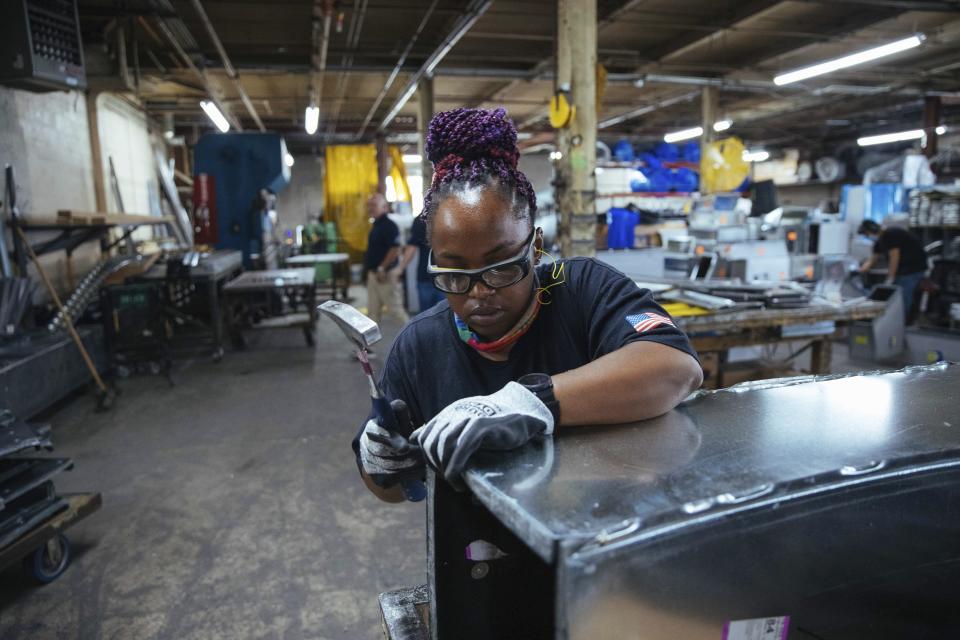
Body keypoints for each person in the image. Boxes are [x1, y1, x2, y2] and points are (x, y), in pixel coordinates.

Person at [354, 108, 703, 502]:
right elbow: (390, 492)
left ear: (536, 247)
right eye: (454, 275)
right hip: (477, 553)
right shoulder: (421, 345)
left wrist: (532, 401)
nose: (479, 292)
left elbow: (675, 368)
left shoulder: (577, 287)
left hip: (601, 528)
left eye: (501, 268)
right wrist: (381, 462)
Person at [858, 220, 926, 322]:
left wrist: (890, 277)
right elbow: (873, 259)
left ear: (873, 230)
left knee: (903, 296)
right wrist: (860, 270)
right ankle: (896, 322)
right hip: (903, 270)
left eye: (867, 234)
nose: (868, 237)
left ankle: (902, 323)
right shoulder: (879, 242)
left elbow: (895, 257)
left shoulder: (891, 234)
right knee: (897, 295)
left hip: (913, 269)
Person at [364, 192, 408, 325]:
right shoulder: (376, 225)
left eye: (374, 205)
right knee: (372, 312)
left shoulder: (389, 226)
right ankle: (369, 345)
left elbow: (395, 249)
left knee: (396, 312)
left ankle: (414, 340)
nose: (371, 208)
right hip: (374, 275)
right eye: (369, 205)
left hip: (385, 275)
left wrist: (382, 268)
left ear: (385, 208)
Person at [399, 214, 446, 312]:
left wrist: (400, 268)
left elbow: (412, 246)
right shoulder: (449, 212)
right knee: (446, 316)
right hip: (446, 276)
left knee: (428, 316)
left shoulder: (422, 218)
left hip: (432, 276)